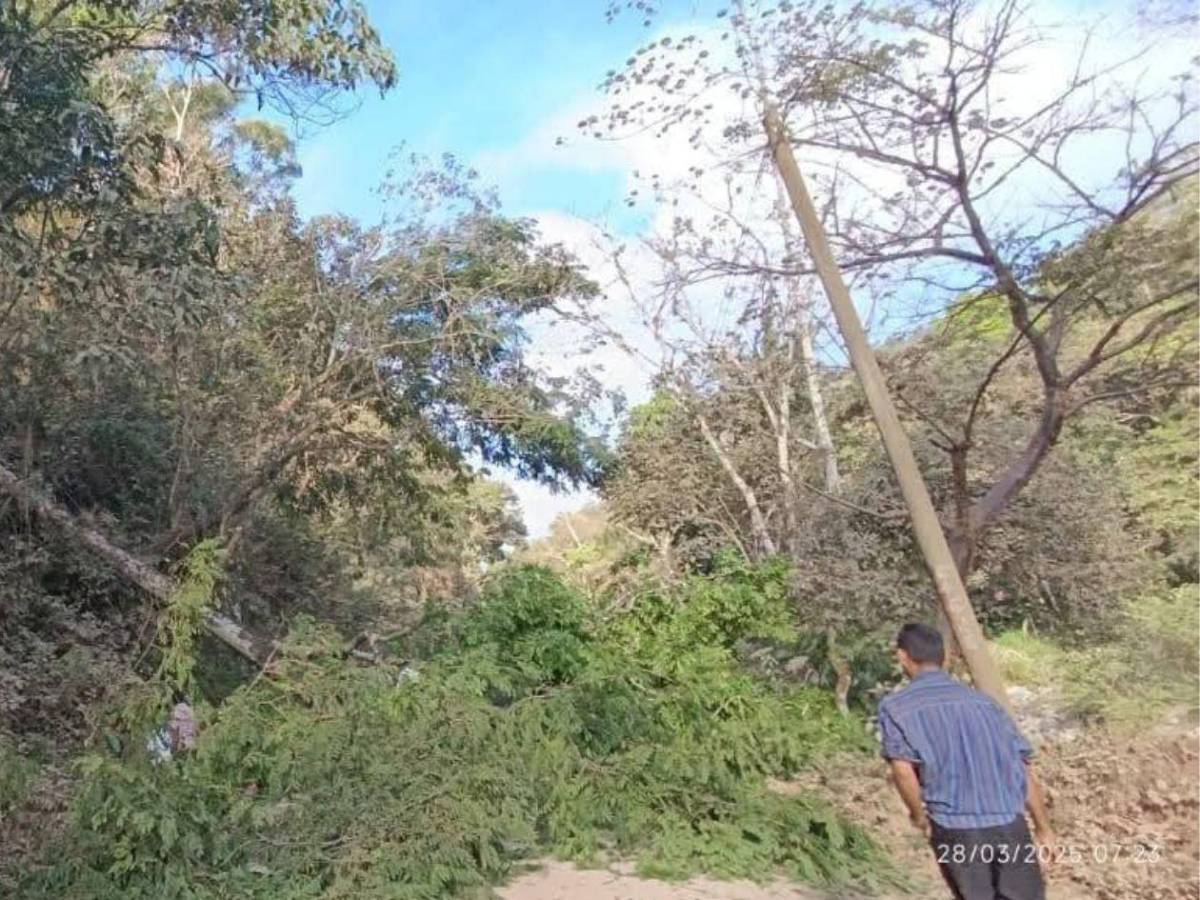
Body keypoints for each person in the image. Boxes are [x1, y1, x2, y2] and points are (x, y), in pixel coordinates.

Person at [878, 623, 1053, 900]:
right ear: (945, 657)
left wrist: (919, 816)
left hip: (955, 827)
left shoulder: (897, 708)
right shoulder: (986, 704)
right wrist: (1043, 828)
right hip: (1009, 824)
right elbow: (1021, 767)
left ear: (902, 656)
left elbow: (903, 771)